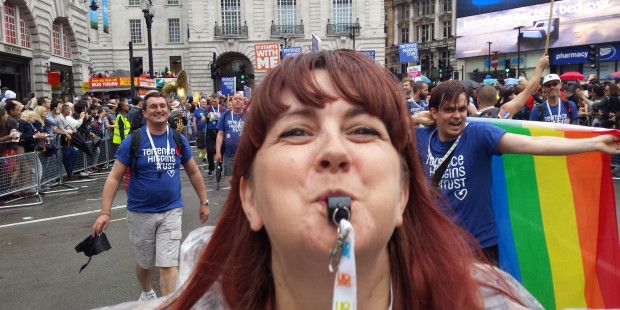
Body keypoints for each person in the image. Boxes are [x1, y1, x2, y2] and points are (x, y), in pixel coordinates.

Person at [99, 50, 547, 309]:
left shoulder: (491, 302)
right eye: (296, 131)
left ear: (403, 194)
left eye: (364, 130)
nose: (334, 151)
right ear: (249, 197)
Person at [412, 80, 620, 264]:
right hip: (436, 245)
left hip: (479, 247)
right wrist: (413, 119)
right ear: (433, 113)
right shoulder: (422, 137)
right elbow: (384, 130)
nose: (457, 116)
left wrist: (594, 143)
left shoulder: (479, 134)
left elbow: (534, 144)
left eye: (462, 109)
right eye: (449, 110)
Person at [91, 91, 210, 301]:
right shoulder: (133, 140)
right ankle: (146, 291)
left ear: (168, 110)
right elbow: (113, 177)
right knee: (146, 263)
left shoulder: (177, 138)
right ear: (145, 112)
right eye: (153, 106)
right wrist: (105, 213)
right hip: (140, 212)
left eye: (162, 106)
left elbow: (193, 171)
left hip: (171, 210)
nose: (159, 110)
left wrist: (204, 201)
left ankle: (170, 304)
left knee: (168, 263)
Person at [474, 54, 548, 119]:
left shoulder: (469, 120)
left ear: (478, 101)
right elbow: (528, 91)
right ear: (496, 100)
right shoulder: (503, 112)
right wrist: (540, 67)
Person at [215, 93, 246, 184]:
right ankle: (235, 194)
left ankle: (241, 196)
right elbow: (220, 134)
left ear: (243, 102)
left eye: (240, 99)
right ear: (231, 101)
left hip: (244, 154)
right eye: (235, 99)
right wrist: (218, 152)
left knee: (244, 178)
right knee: (231, 179)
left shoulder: (248, 115)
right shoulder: (225, 115)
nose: (237, 100)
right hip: (229, 154)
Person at [202, 94, 225, 176]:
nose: (214, 103)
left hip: (219, 131)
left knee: (221, 150)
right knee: (210, 150)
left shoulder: (222, 108)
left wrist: (220, 117)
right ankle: (211, 168)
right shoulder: (208, 108)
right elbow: (202, 120)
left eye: (215, 101)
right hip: (210, 131)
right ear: (210, 101)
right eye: (212, 101)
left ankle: (220, 166)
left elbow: (225, 119)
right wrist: (207, 117)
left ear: (218, 100)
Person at [192, 97, 208, 165]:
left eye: (205, 102)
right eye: (202, 102)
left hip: (207, 130)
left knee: (207, 144)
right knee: (202, 145)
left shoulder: (208, 110)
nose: (204, 103)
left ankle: (206, 155)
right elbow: (194, 121)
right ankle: (204, 157)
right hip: (200, 130)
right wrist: (195, 130)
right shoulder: (197, 111)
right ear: (200, 103)